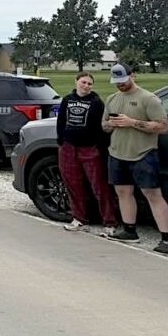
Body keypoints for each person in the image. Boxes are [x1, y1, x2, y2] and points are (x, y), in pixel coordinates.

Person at [102, 64, 168, 254]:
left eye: (123, 81)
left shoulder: (148, 99)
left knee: (152, 194)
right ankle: (129, 230)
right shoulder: (112, 99)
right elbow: (104, 126)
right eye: (116, 82)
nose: (120, 85)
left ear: (132, 76)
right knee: (123, 192)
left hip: (143, 153)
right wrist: (112, 124)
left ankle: (167, 239)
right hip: (117, 153)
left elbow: (163, 127)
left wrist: (132, 122)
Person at [56, 72, 117, 235]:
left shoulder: (96, 102)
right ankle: (79, 219)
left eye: (89, 84)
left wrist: (100, 148)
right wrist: (61, 140)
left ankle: (109, 222)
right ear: (76, 81)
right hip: (68, 148)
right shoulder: (67, 100)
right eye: (83, 82)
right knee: (73, 185)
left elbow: (101, 128)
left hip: (90, 149)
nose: (86, 86)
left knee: (99, 186)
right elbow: (61, 120)